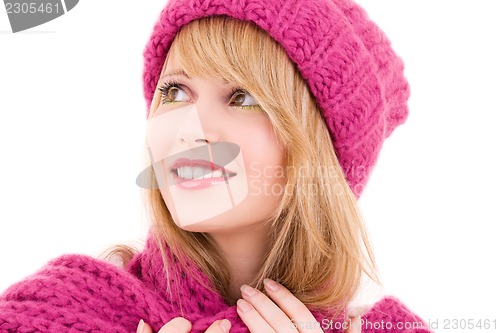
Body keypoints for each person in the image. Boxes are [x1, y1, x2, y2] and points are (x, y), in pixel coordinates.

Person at [0, 0, 432, 332]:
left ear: (319, 151)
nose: (191, 130)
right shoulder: (55, 311)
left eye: (243, 98)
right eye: (175, 93)